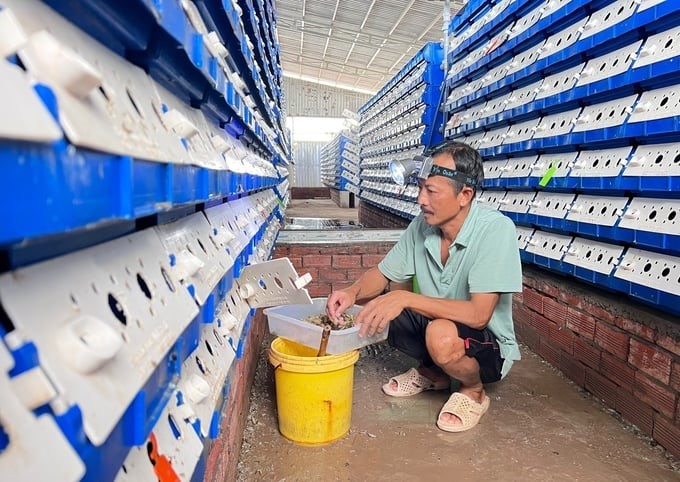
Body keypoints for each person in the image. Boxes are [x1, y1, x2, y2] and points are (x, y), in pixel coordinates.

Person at [325, 140, 522, 432]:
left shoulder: (495, 229)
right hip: (437, 324)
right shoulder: (422, 225)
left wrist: (406, 299)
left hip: (484, 342)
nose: (421, 199)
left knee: (436, 331)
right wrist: (351, 292)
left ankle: (473, 391)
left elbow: (479, 315)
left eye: (431, 191)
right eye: (420, 188)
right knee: (381, 305)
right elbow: (382, 273)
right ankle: (434, 373)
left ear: (465, 194)